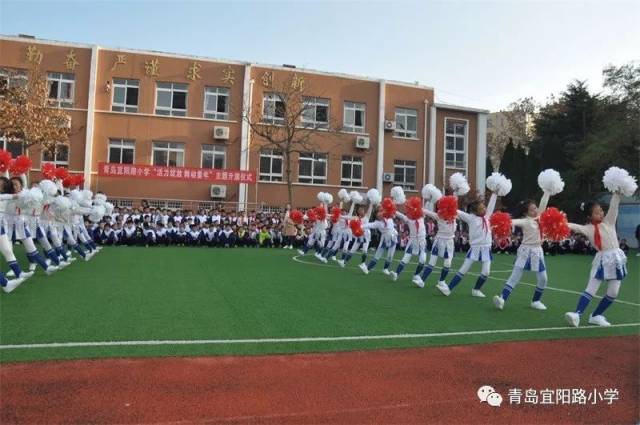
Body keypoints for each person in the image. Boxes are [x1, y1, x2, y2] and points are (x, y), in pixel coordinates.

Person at [564, 193, 627, 327]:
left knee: (613, 292)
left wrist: (617, 193)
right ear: (589, 216)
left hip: (616, 259)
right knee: (591, 288)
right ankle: (577, 314)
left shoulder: (609, 221)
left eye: (601, 211)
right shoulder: (588, 229)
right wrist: (558, 222)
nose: (601, 213)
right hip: (602, 260)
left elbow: (614, 207)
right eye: (597, 212)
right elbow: (574, 226)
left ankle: (596, 315)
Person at [436, 185, 504, 298]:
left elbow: (491, 205)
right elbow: (455, 210)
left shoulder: (487, 216)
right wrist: (449, 200)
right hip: (475, 248)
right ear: (475, 211)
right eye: (481, 208)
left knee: (486, 272)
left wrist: (495, 193)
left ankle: (476, 290)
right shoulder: (470, 218)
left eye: (484, 208)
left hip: (486, 248)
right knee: (464, 269)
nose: (484, 209)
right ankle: (449, 289)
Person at [493, 192, 552, 311]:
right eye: (531, 210)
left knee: (543, 278)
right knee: (515, 276)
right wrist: (498, 223)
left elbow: (544, 203)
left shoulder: (539, 217)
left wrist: (547, 191)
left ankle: (536, 301)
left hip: (537, 251)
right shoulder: (525, 221)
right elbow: (512, 222)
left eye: (535, 208)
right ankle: (502, 298)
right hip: (525, 251)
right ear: (526, 213)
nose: (535, 211)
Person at [360, 206, 398, 275]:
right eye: (379, 213)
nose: (381, 214)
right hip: (384, 239)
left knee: (390, 256)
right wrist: (360, 226)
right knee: (377, 255)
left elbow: (393, 212)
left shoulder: (389, 217)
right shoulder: (377, 223)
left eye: (381, 211)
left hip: (393, 238)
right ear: (376, 216)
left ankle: (385, 269)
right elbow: (368, 225)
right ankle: (367, 269)